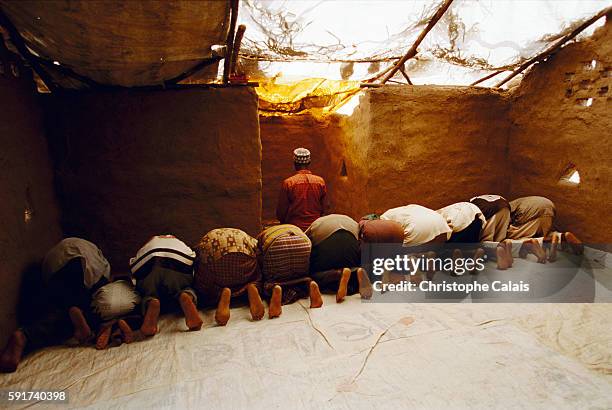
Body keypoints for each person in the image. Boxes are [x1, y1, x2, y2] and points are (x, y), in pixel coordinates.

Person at [0, 238, 110, 373]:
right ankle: (74, 311)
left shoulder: (83, 246)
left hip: (54, 264)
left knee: (61, 303)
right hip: (84, 265)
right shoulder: (104, 266)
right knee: (91, 307)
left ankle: (24, 335)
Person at [130, 235, 202, 336]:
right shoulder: (179, 243)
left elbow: (133, 268)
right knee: (186, 287)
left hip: (147, 262)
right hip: (178, 259)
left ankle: (150, 302)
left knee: (146, 293)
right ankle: (186, 295)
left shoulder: (148, 245)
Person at [193, 228, 264, 325]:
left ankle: (222, 292)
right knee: (257, 276)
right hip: (243, 256)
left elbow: (197, 257)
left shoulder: (208, 237)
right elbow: (258, 250)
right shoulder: (242, 234)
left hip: (215, 262)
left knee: (204, 287)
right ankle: (252, 286)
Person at [257, 224, 323, 318]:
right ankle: (309, 283)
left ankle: (275, 288)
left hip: (276, 245)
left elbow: (258, 253)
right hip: (302, 241)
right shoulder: (294, 227)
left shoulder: (264, 233)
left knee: (269, 281)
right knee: (300, 277)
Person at [306, 214, 371, 302]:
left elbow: (306, 243)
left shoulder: (317, 223)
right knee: (352, 264)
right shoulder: (351, 220)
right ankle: (355, 273)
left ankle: (339, 274)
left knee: (312, 275)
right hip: (350, 244)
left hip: (326, 247)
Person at [276, 148, 327, 231]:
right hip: (315, 227)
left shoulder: (288, 183)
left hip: (295, 228)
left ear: (295, 163)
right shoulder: (320, 181)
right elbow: (325, 208)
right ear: (309, 162)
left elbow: (281, 213)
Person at [90, 279, 142, 349]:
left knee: (95, 316)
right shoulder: (128, 281)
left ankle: (108, 327)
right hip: (127, 307)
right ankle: (120, 329)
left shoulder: (99, 280)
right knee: (138, 313)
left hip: (105, 307)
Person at [436, 202, 487, 273]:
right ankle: (475, 254)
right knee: (470, 245)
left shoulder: (435, 213)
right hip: (474, 215)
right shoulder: (468, 203)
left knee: (446, 249)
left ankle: (455, 260)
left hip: (457, 222)